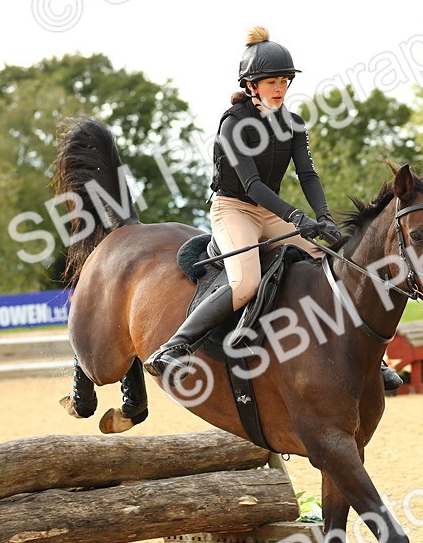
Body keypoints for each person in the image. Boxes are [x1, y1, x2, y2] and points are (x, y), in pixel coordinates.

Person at [145, 27, 405, 391]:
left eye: (284, 80)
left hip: (270, 212)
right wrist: (298, 218)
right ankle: (175, 346)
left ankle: (375, 361)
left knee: (334, 264)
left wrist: (324, 217)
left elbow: (308, 175)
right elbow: (251, 186)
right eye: (271, 82)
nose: (280, 88)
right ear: (252, 86)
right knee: (245, 282)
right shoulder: (233, 124)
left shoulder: (293, 123)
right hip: (233, 209)